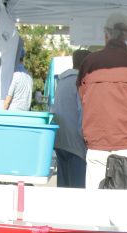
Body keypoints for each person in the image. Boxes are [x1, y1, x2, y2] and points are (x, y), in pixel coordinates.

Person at [78, 12, 127, 189]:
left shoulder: (89, 62)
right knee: (126, 203)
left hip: (97, 142)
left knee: (96, 202)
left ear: (106, 33)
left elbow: (82, 94)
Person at [52, 49, 90, 188]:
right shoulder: (80, 83)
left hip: (60, 139)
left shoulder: (62, 81)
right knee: (77, 189)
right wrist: (86, 138)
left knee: (63, 186)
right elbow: (83, 112)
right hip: (76, 142)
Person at [3, 41, 33, 111]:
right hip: (25, 113)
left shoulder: (15, 75)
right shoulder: (29, 76)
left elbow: (8, 99)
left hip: (13, 113)